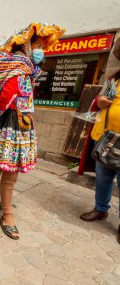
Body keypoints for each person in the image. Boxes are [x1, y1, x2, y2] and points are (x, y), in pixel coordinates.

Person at [0, 23, 65, 240]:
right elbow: (6, 97)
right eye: (39, 45)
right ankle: (7, 216)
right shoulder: (21, 69)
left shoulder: (22, 68)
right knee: (10, 170)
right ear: (27, 48)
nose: (42, 50)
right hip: (12, 123)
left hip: (10, 119)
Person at [79, 43, 120, 244]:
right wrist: (100, 102)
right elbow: (98, 102)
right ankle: (100, 209)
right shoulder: (114, 79)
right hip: (105, 138)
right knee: (103, 178)